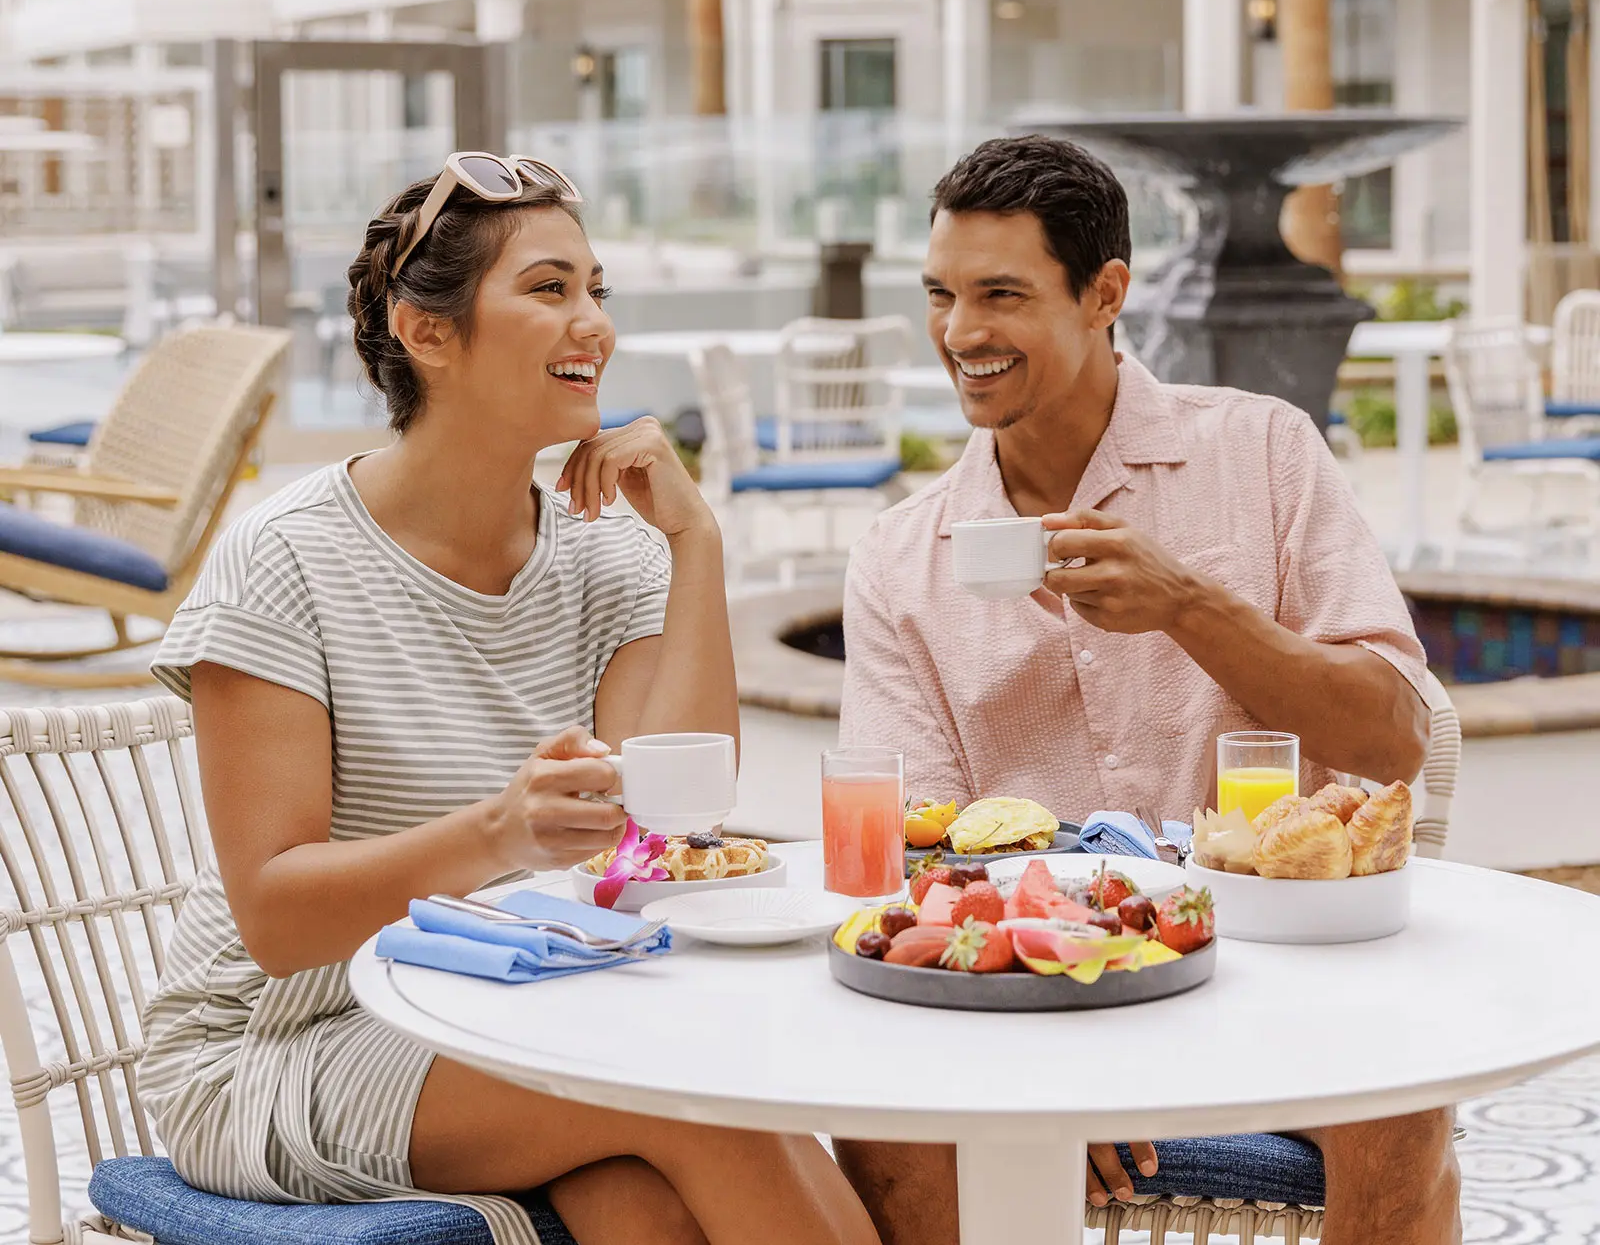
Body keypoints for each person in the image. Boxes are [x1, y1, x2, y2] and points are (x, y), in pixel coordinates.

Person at [140, 156, 880, 1245]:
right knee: (705, 1108)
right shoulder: (283, 562)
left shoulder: (608, 550)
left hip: (519, 1003)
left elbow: (672, 815)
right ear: (426, 332)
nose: (593, 325)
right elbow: (277, 917)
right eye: (548, 289)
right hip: (284, 1038)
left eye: (596, 290)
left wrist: (694, 538)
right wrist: (498, 833)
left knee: (643, 1206)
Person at [834, 134, 1459, 1245]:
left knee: (1401, 1105)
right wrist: (1047, 1037)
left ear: (1104, 294)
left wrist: (1191, 607)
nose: (960, 333)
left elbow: (1395, 738)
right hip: (1027, 988)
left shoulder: (1265, 454)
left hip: (1273, 980)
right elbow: (908, 863)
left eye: (1000, 295)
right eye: (941, 295)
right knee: (887, 1130)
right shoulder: (902, 554)